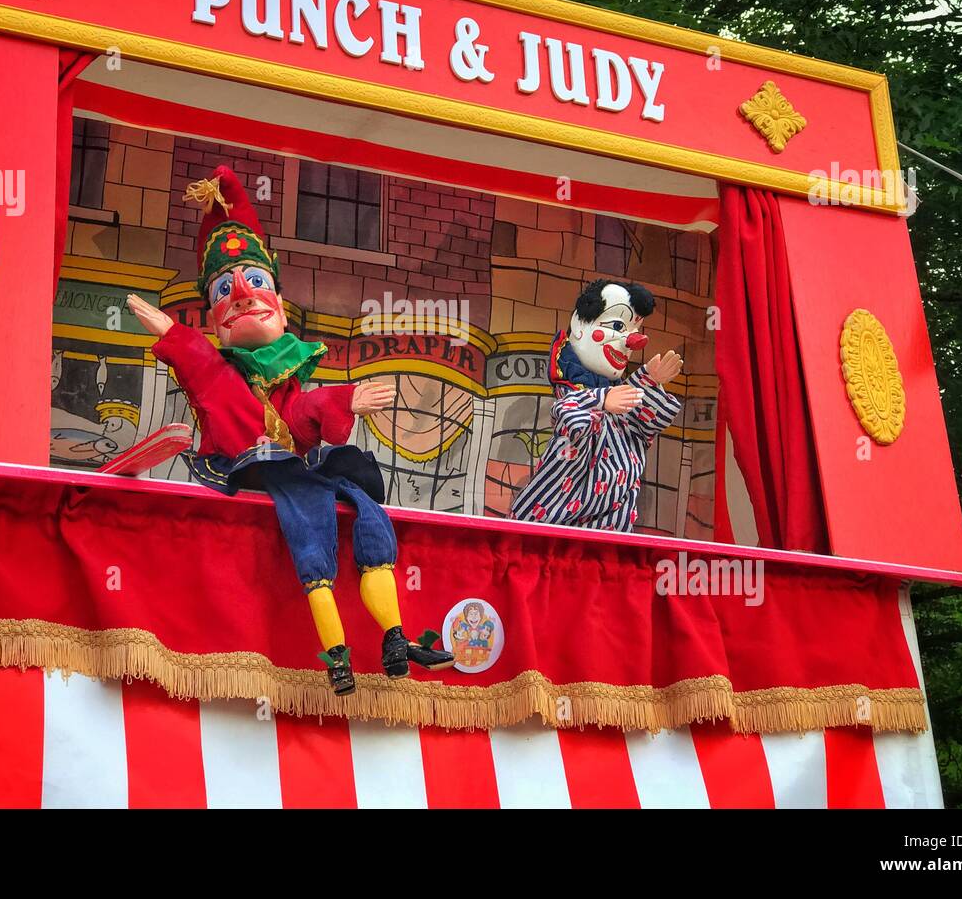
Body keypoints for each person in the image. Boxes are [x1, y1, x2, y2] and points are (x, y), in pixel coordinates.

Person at [126, 165, 453, 696]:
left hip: (298, 470)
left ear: (278, 300)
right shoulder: (219, 372)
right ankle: (339, 654)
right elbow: (217, 387)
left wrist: (347, 399)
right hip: (257, 474)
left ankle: (393, 636)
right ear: (212, 318)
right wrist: (178, 341)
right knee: (310, 523)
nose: (243, 295)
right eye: (225, 290)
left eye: (255, 282)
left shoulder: (288, 375)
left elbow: (302, 413)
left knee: (364, 507)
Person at [511, 279, 683, 531]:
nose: (631, 342)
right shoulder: (573, 393)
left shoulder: (617, 398)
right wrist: (601, 401)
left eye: (634, 331)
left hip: (609, 526)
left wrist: (648, 381)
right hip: (555, 523)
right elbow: (568, 417)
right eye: (616, 326)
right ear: (580, 326)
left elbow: (640, 427)